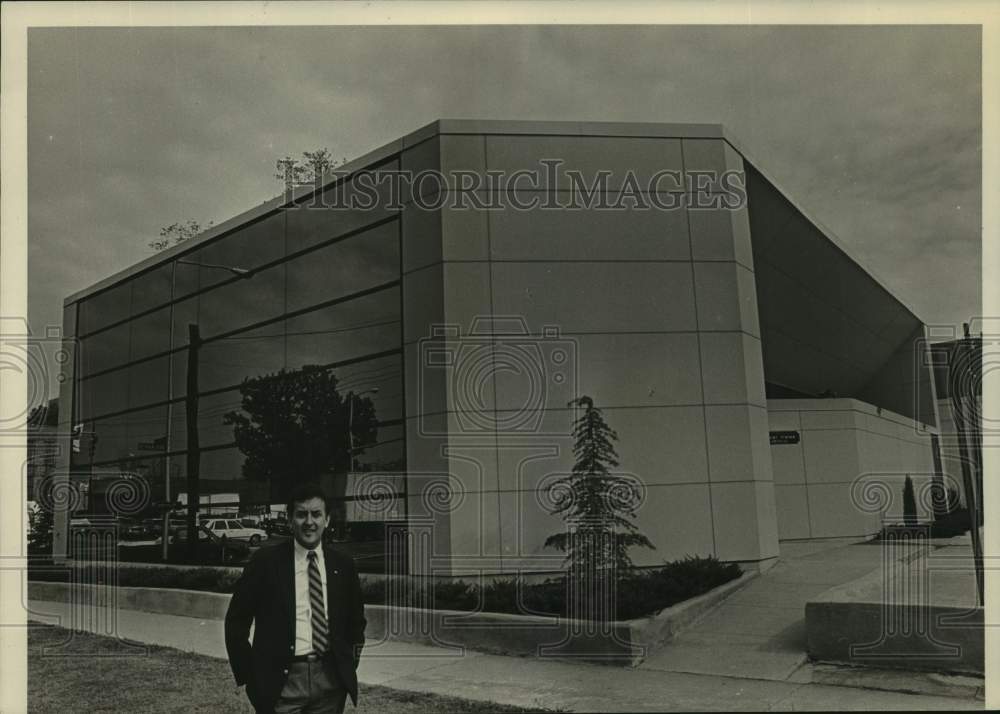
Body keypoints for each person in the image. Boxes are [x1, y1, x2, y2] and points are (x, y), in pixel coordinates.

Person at [225, 483, 366, 713]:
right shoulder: (266, 562)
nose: (309, 522)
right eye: (301, 515)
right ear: (290, 520)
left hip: (330, 682)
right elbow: (236, 621)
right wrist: (250, 675)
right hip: (282, 682)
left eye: (316, 514)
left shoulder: (343, 565)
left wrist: (346, 666)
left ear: (327, 520)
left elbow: (356, 621)